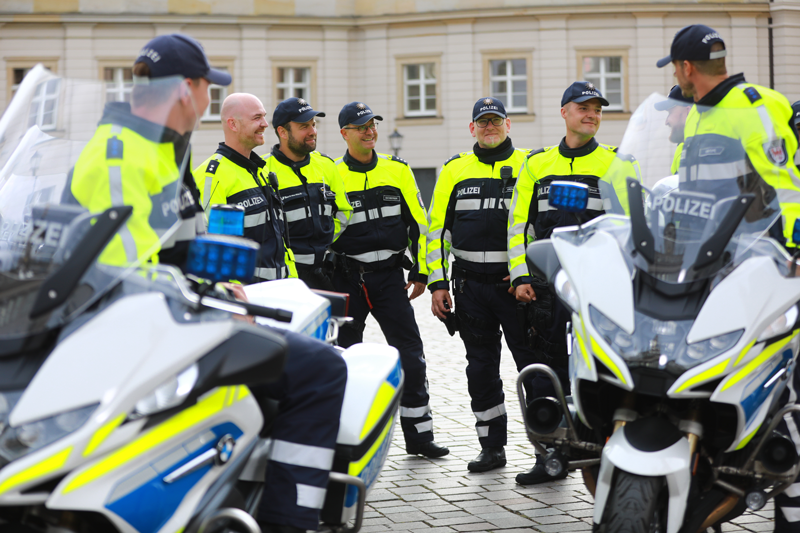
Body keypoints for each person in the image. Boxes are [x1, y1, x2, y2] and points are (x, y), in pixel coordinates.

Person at [69, 35, 346, 533]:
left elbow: (180, 246)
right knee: (322, 370)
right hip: (155, 332)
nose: (207, 101)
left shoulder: (159, 147)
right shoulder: (122, 154)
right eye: (206, 89)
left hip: (177, 318)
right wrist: (213, 299)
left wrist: (222, 284)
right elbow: (121, 273)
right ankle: (292, 521)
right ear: (187, 89)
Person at [657, 24, 800, 532]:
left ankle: (792, 511)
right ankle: (703, 503)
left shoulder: (755, 106)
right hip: (702, 276)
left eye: (675, 66)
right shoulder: (699, 120)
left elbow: (789, 188)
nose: (676, 74)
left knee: (778, 391)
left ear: (686, 68)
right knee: (700, 384)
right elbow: (683, 196)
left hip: (761, 272)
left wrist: (795, 253)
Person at [507, 82, 637, 485]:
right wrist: (520, 275)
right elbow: (517, 226)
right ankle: (550, 456)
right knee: (547, 371)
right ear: (564, 112)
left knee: (599, 373)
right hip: (547, 288)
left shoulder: (617, 164)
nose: (592, 115)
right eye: (584, 108)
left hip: (598, 290)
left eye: (598, 109)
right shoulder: (536, 165)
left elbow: (634, 231)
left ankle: (604, 455)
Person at [332, 101, 449, 459]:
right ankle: (346, 442)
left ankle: (420, 438)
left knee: (411, 357)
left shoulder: (398, 170)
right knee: (345, 360)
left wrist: (421, 272)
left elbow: (419, 223)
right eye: (361, 126)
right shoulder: (332, 173)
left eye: (373, 125)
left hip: (389, 279)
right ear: (344, 134)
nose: (370, 131)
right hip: (348, 280)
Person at [427, 97, 535, 472]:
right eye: (483, 122)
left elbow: (541, 224)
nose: (490, 127)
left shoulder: (528, 165)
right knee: (481, 369)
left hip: (517, 289)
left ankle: (547, 449)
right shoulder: (455, 170)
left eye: (496, 121)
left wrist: (530, 269)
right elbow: (436, 231)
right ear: (472, 128)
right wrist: (437, 284)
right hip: (470, 288)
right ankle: (492, 447)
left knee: (533, 367)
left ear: (508, 125)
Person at [193, 93, 297, 282]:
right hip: (248, 300)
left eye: (264, 116)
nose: (266, 123)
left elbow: (280, 241)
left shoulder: (260, 171)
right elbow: (212, 250)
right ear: (233, 124)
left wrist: (292, 282)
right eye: (257, 118)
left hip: (280, 291)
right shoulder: (211, 176)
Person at [263, 97, 352, 290]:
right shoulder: (262, 171)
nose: (313, 131)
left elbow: (344, 212)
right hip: (285, 278)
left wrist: (324, 241)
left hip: (325, 274)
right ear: (282, 132)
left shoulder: (326, 165)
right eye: (304, 126)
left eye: (313, 124)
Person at [654, 84, 694, 174]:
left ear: (689, 112)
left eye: (670, 113)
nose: (666, 122)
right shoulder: (684, 148)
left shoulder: (704, 150)